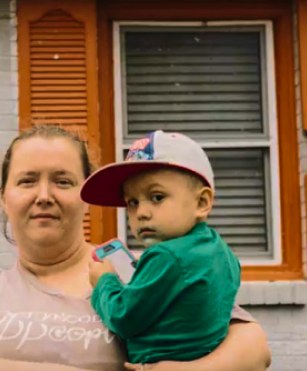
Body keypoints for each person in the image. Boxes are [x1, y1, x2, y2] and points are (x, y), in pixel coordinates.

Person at [0, 125, 271, 371]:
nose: (44, 196)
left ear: (86, 199)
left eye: (63, 182)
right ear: (5, 198)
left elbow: (253, 347)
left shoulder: (141, 271)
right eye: (27, 181)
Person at [81, 130, 242, 366]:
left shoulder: (164, 255)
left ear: (201, 202)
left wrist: (104, 281)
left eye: (157, 197)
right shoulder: (223, 252)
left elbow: (122, 317)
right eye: (132, 202)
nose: (142, 213)